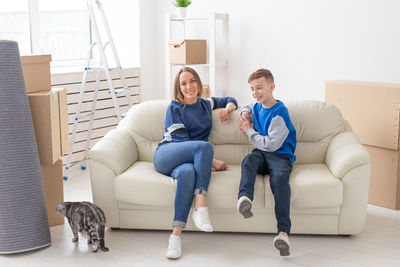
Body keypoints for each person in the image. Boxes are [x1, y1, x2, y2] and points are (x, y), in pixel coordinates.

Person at [153, 67, 238, 259]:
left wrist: (228, 108)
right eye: (184, 83)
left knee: (188, 173)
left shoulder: (205, 104)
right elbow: (181, 141)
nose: (189, 86)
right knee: (204, 147)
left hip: (185, 163)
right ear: (179, 88)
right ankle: (201, 205)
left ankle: (175, 235)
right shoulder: (174, 108)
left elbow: (230, 100)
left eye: (192, 81)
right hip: (167, 154)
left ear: (198, 84)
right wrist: (211, 161)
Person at [237, 69, 296, 256]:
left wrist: (248, 130)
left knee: (278, 180)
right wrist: (245, 113)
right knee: (248, 160)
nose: (255, 93)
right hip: (261, 154)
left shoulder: (279, 113)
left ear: (272, 87)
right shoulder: (257, 105)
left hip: (279, 155)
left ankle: (283, 233)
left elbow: (271, 145)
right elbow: (247, 105)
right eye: (252, 89)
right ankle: (245, 198)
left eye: (260, 88)